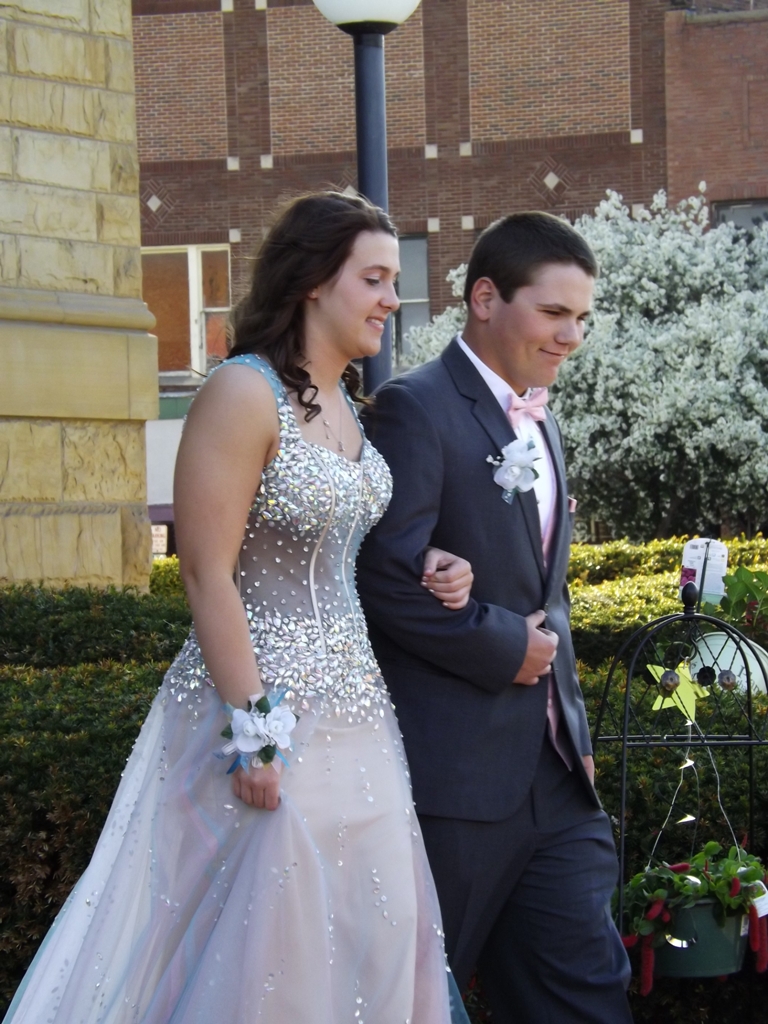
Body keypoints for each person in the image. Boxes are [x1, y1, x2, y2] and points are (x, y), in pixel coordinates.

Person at [5, 192, 473, 1024]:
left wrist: (433, 562)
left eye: (391, 281)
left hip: (359, 715)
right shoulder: (241, 392)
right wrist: (254, 730)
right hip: (262, 709)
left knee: (375, 925)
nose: (392, 299)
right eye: (373, 279)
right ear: (313, 281)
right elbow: (205, 573)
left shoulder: (346, 404)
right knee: (275, 946)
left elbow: (341, 545)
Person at [357, 212, 633, 1023]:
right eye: (554, 313)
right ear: (485, 298)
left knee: (586, 992)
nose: (572, 336)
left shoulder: (542, 417)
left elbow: (546, 593)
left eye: (581, 317)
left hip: (557, 779)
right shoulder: (413, 408)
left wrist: (572, 730)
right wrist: (505, 646)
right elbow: (385, 578)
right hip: (457, 783)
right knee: (418, 1000)